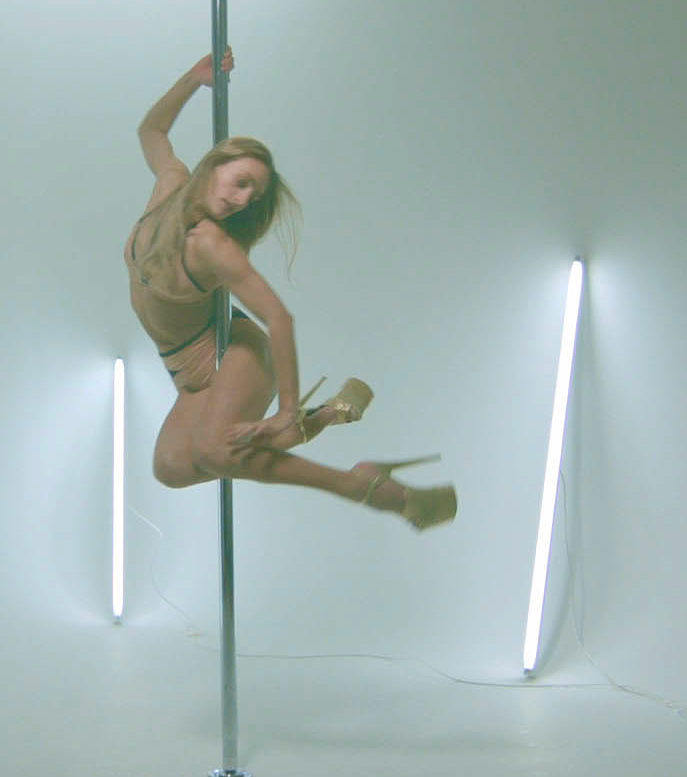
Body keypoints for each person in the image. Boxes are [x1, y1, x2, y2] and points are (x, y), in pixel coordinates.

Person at [125, 48, 456, 531]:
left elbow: (279, 317)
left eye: (252, 196)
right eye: (241, 182)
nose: (241, 200)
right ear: (216, 163)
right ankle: (325, 415)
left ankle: (363, 485)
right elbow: (151, 131)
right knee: (171, 467)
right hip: (188, 376)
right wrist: (194, 79)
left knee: (217, 452)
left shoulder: (212, 245)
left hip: (230, 355)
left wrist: (283, 408)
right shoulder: (169, 186)